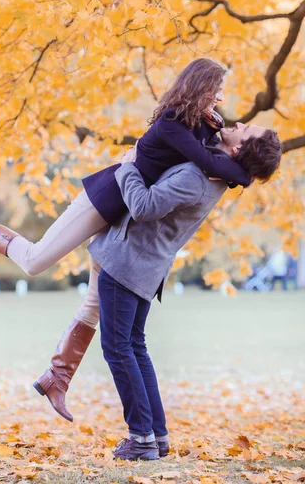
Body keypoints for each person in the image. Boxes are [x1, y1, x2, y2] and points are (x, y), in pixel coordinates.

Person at [0, 58, 278, 418]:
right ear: (201, 87)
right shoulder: (174, 122)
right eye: (218, 89)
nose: (222, 98)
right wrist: (248, 175)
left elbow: (221, 161)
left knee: (94, 308)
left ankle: (57, 378)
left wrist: (245, 165)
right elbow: (214, 164)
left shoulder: (205, 125)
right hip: (109, 197)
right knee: (35, 261)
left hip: (127, 216)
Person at [91, 123, 282, 461]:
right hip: (144, 266)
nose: (237, 123)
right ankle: (156, 435)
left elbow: (143, 206)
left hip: (128, 264)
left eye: (245, 128)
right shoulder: (214, 172)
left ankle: (142, 439)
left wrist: (127, 169)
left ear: (239, 149)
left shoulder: (198, 179)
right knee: (134, 346)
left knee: (119, 349)